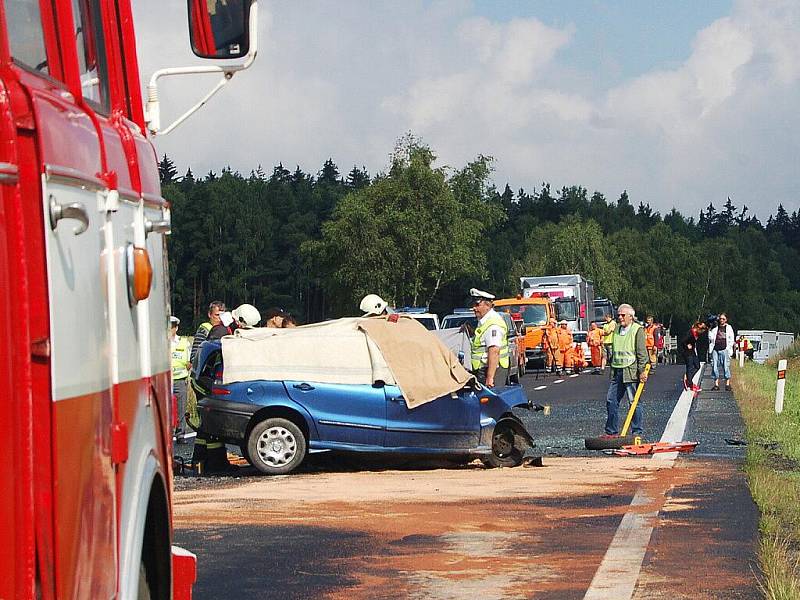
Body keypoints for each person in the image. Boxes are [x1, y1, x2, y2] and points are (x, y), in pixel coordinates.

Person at [603, 303, 649, 438]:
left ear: (631, 316)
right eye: (619, 315)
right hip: (617, 371)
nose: (620, 318)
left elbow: (642, 353)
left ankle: (636, 432)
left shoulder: (637, 330)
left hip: (631, 371)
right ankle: (611, 431)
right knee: (611, 400)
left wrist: (642, 371)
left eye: (623, 315)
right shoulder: (616, 329)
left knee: (633, 402)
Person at [469, 288, 510, 388]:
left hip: (491, 370)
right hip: (485, 369)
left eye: (477, 305)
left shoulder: (493, 324)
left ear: (487, 305)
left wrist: (490, 378)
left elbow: (494, 351)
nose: (474, 308)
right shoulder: (484, 320)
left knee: (492, 402)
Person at [170, 316, 191, 443]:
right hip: (166, 380)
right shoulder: (161, 342)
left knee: (181, 408)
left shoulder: (184, 343)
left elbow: (189, 362)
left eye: (172, 326)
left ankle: (180, 435)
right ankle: (167, 434)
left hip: (180, 379)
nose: (170, 329)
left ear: (176, 328)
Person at [709, 312, 735, 391]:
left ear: (726, 320)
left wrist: (728, 348)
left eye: (723, 319)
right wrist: (710, 329)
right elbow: (711, 338)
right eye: (720, 319)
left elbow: (731, 339)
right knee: (714, 366)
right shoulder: (715, 328)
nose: (722, 320)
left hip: (724, 349)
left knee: (725, 366)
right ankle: (716, 384)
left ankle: (727, 384)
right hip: (715, 349)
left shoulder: (729, 328)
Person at [682, 322, 702, 392]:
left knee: (697, 366)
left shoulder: (696, 333)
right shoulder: (690, 332)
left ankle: (688, 378)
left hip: (693, 352)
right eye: (699, 328)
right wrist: (687, 345)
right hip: (687, 352)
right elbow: (683, 340)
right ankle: (690, 384)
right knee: (689, 367)